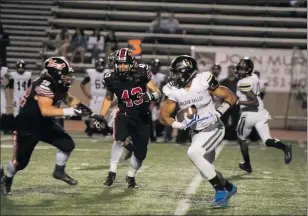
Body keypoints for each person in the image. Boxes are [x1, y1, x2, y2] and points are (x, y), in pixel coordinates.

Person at [0, 57, 93, 195]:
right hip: (27, 127)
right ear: (55, 72)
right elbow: (46, 110)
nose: (69, 77)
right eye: (65, 73)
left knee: (67, 145)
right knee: (20, 163)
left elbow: (67, 98)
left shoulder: (57, 82)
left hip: (44, 124)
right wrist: (71, 111)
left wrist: (83, 108)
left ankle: (59, 171)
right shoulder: (44, 84)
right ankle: (6, 179)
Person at [160, 55, 237, 207]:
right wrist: (179, 126)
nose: (174, 76)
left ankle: (220, 191)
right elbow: (164, 116)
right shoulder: (173, 90)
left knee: (193, 153)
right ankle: (229, 186)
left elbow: (231, 97)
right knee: (206, 170)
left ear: (187, 72)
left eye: (177, 72)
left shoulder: (203, 80)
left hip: (213, 126)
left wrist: (219, 112)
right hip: (196, 132)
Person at [93, 48, 161, 188]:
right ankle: (112, 172)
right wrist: (101, 115)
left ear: (131, 64)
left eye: (124, 63)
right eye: (119, 63)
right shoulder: (111, 78)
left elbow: (157, 92)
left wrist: (150, 96)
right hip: (123, 113)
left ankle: (131, 176)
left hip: (142, 115)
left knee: (141, 153)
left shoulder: (141, 73)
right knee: (119, 139)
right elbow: (108, 98)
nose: (121, 66)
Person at [235, 57, 292, 173]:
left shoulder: (243, 83)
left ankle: (247, 164)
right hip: (261, 114)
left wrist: (238, 101)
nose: (238, 71)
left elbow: (254, 101)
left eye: (241, 69)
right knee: (267, 140)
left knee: (242, 139)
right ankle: (285, 147)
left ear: (247, 70)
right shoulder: (254, 77)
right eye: (239, 69)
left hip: (248, 114)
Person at [81, 58, 110, 137]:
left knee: (104, 115)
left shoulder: (107, 73)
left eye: (101, 65)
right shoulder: (92, 73)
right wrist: (87, 94)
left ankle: (105, 131)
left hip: (104, 97)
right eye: (99, 65)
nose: (100, 67)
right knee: (93, 115)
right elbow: (82, 84)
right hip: (95, 97)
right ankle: (91, 130)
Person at [220, 64, 239, 140]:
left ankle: (238, 137)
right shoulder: (223, 82)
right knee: (223, 122)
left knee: (236, 122)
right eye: (229, 70)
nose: (231, 71)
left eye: (232, 70)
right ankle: (222, 137)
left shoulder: (239, 82)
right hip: (225, 105)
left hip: (235, 105)